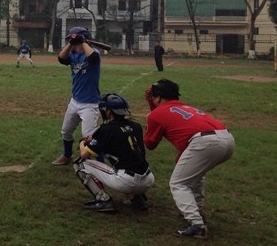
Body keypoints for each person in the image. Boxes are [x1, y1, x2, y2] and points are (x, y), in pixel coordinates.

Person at [144, 79, 235, 239]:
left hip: (206, 142)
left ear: (158, 98)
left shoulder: (157, 113)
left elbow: (150, 144)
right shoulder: (184, 106)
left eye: (153, 96)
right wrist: (153, 107)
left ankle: (196, 224)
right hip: (226, 138)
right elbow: (161, 115)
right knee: (194, 176)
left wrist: (149, 115)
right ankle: (196, 211)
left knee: (178, 183)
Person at [74, 93, 155, 213]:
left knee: (79, 164)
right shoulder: (136, 126)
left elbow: (84, 155)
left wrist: (82, 143)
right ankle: (138, 198)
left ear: (108, 111)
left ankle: (104, 200)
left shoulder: (107, 129)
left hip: (127, 181)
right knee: (126, 156)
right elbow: (118, 136)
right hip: (148, 179)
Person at [52, 27, 101, 165]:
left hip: (90, 103)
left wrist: (83, 41)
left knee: (89, 137)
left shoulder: (93, 54)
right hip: (75, 101)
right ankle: (67, 156)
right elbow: (61, 58)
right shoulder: (72, 56)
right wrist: (71, 42)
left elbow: (92, 57)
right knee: (66, 131)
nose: (72, 43)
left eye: (74, 41)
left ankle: (100, 163)